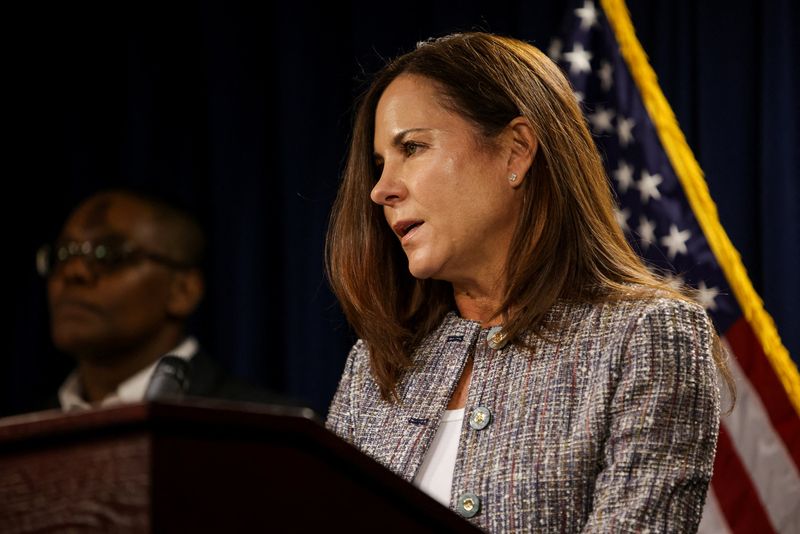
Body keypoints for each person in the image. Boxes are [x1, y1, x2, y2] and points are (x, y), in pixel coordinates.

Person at [325, 33, 732, 532]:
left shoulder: (647, 336)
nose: (381, 189)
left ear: (516, 150)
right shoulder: (374, 366)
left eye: (412, 147)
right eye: (380, 163)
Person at [36, 188, 284, 410]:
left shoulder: (271, 430)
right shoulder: (19, 437)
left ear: (182, 291)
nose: (73, 272)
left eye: (108, 254)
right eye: (63, 254)